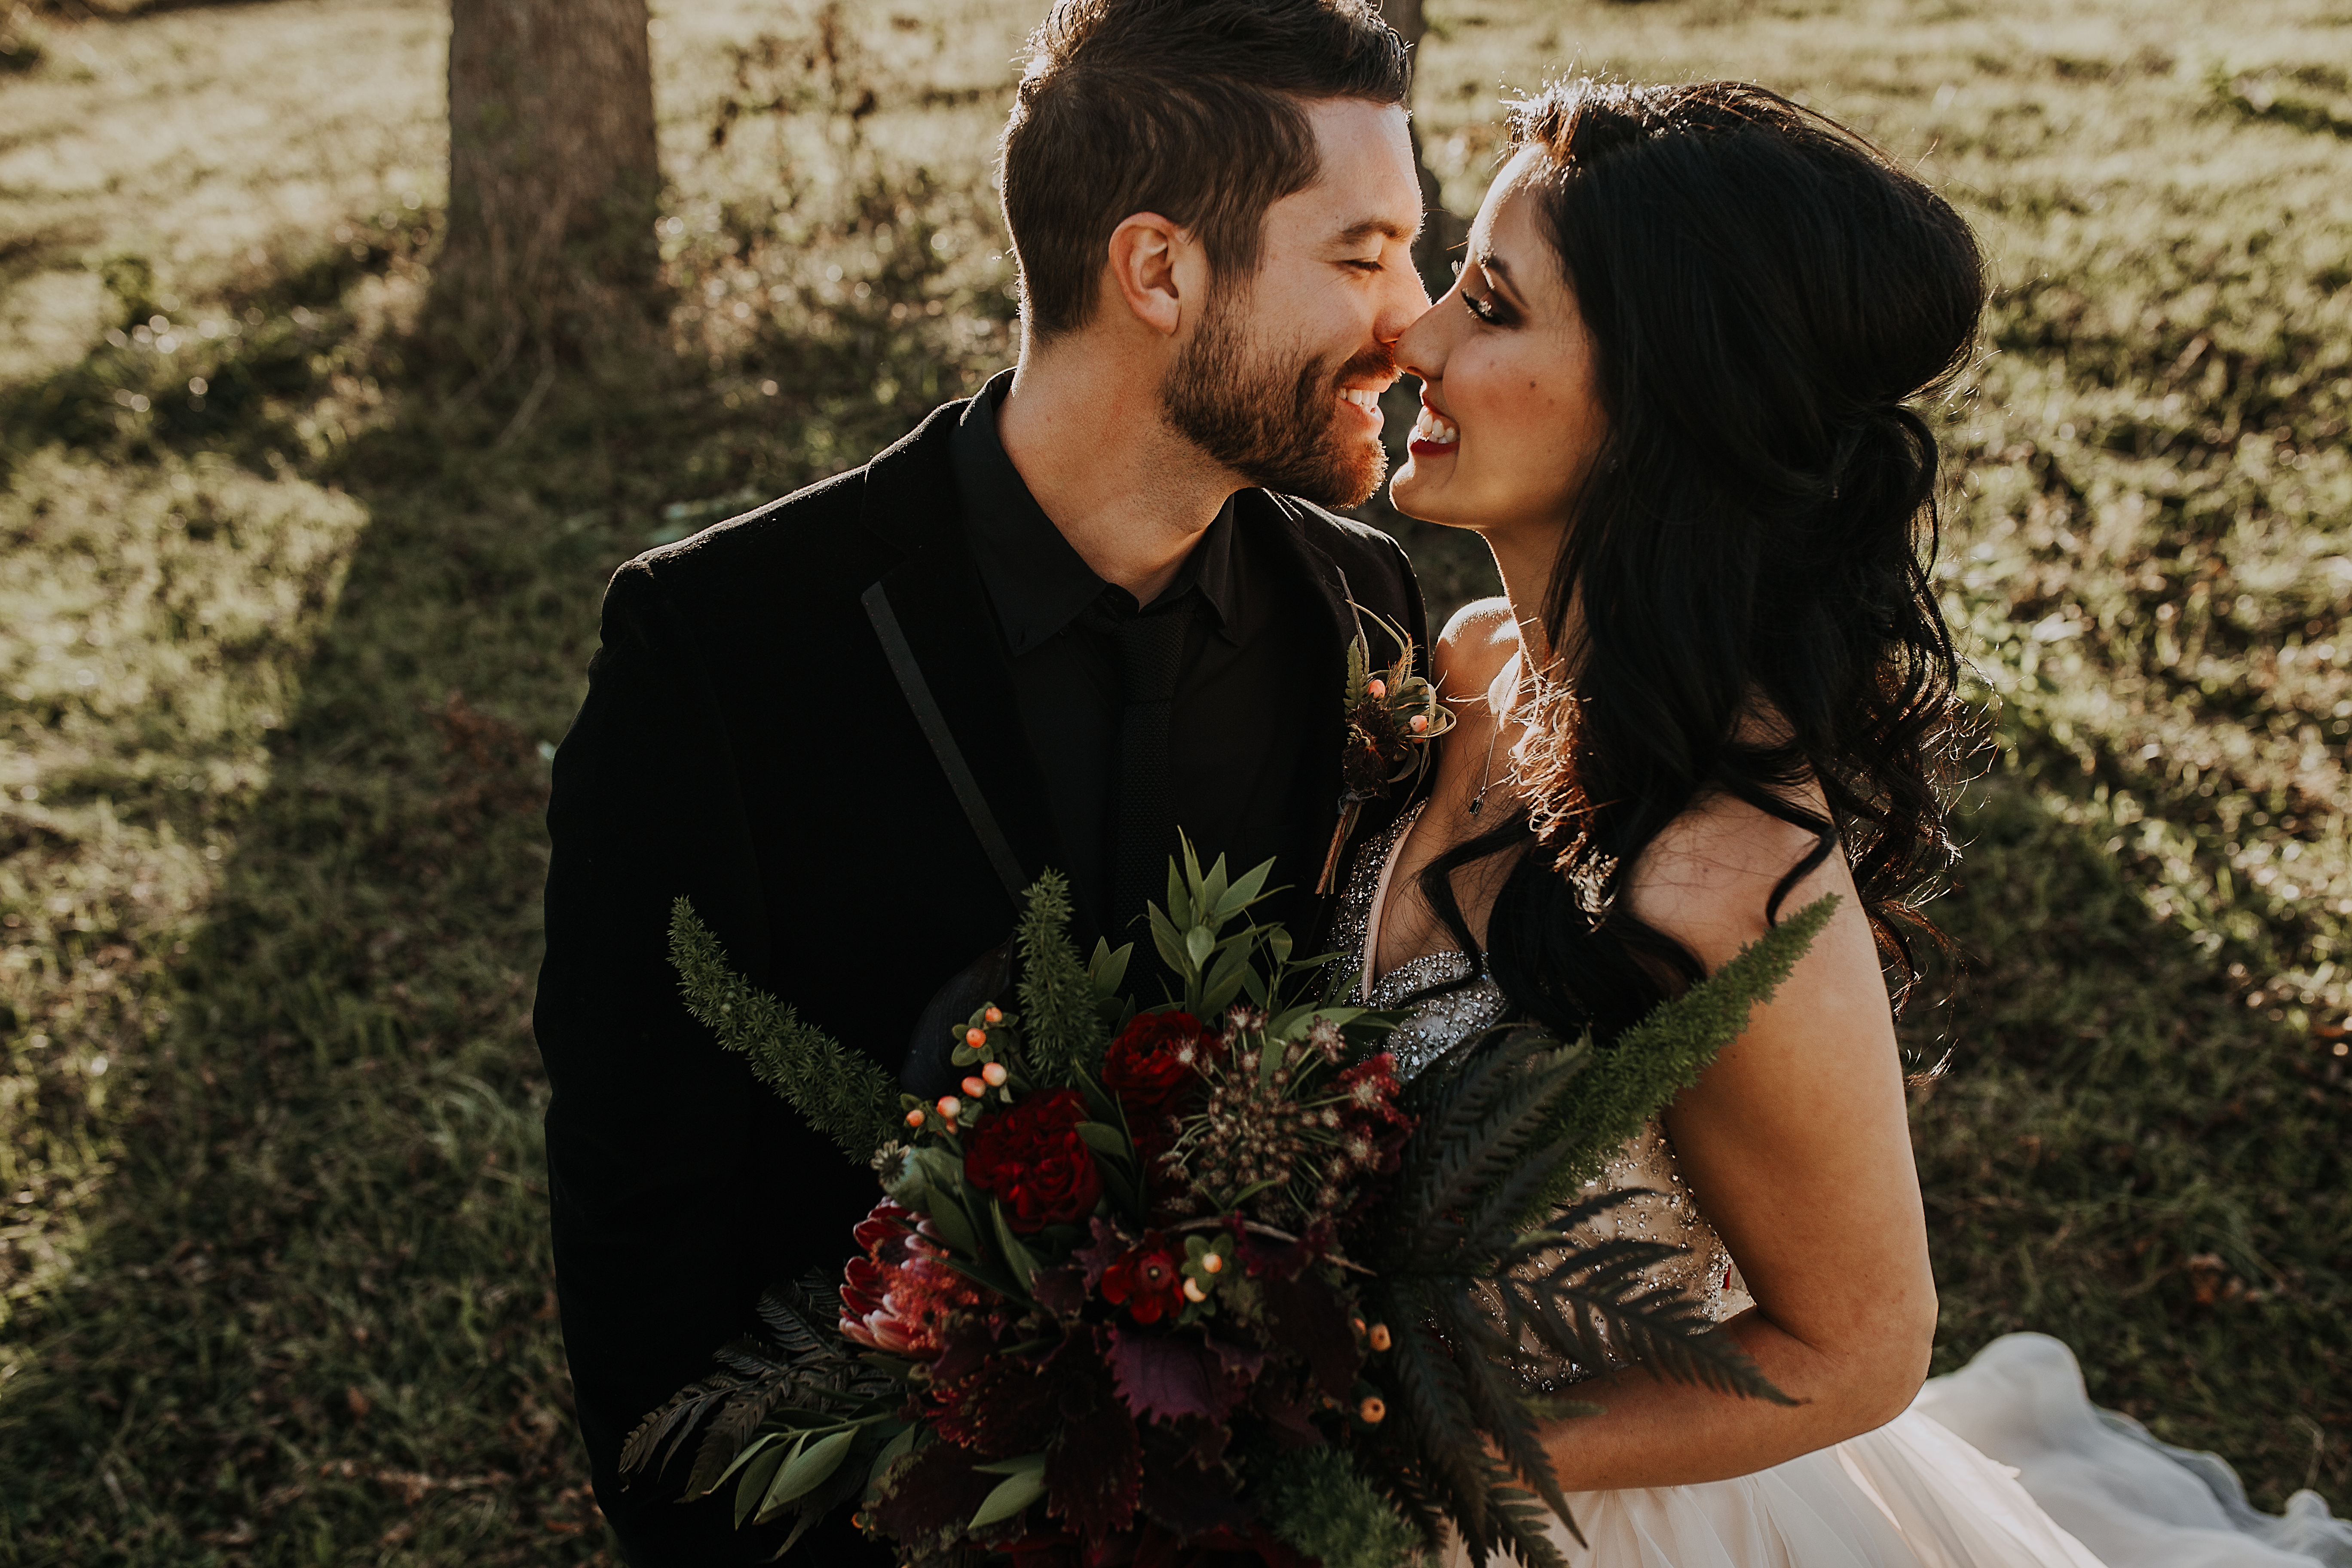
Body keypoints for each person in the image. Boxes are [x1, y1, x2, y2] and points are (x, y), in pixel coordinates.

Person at [1345, 76, 2352, 1567]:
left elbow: (1863, 1347)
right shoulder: (1476, 658)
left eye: (1489, 306)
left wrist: (1446, 1450)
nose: (1413, 335)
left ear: (1667, 404)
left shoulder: (1726, 881)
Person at [532, 1, 1434, 1559]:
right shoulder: (724, 644)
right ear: (1158, 271)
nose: (1413, 320)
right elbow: (638, 1214)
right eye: (1362, 258)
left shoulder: (1365, 607)